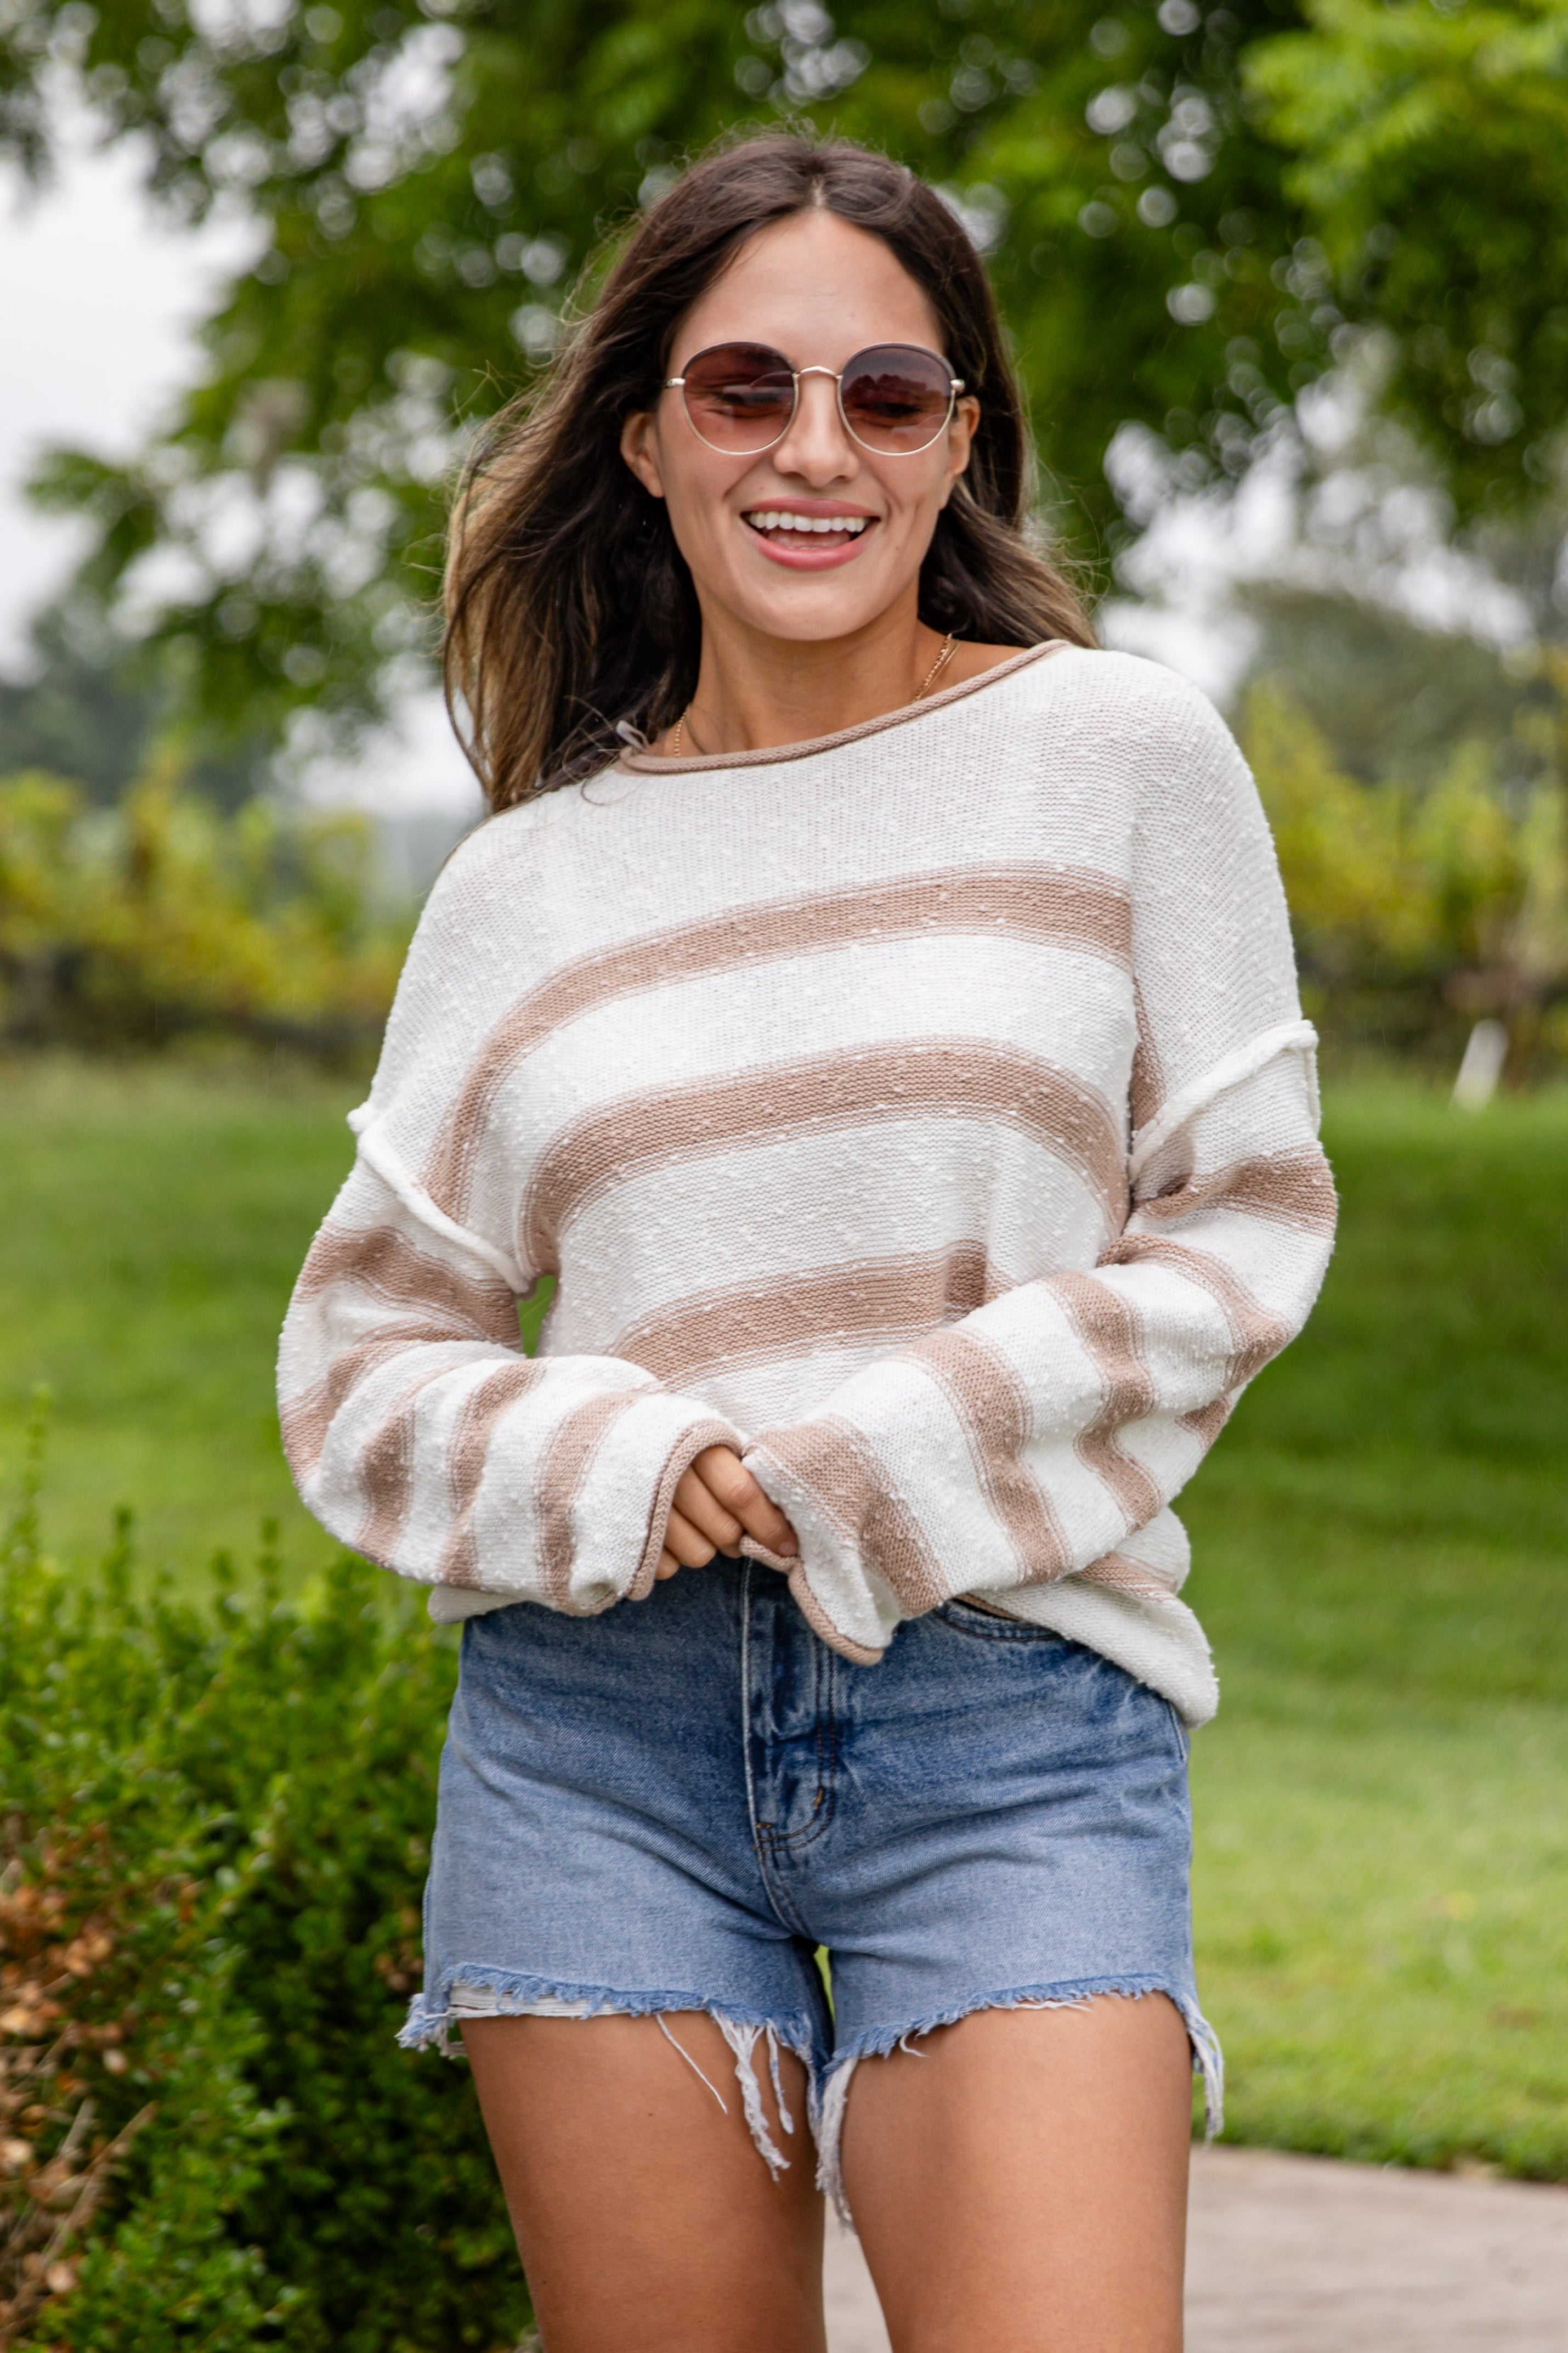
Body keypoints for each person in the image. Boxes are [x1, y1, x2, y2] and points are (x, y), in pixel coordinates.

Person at [279, 132, 1336, 2353]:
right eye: (745, 388)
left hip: (1011, 1710)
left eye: (887, 394)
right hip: (596, 1739)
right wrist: (627, 1464)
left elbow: (1236, 1226)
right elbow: (365, 1347)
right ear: (646, 429)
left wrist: (870, 1450)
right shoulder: (528, 881)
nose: (813, 449)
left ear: (963, 438)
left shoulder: (1118, 753)